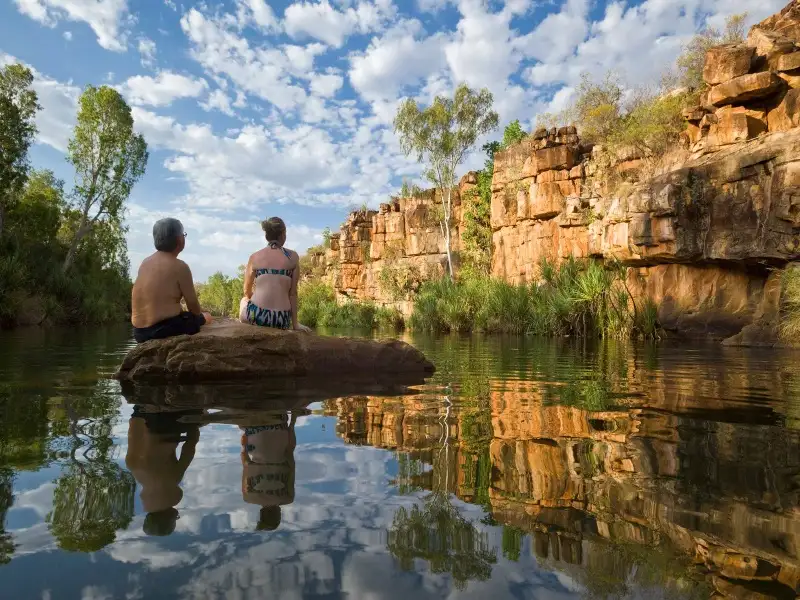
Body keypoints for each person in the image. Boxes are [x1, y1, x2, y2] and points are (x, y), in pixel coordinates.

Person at [131, 218, 212, 343]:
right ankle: (206, 318)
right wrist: (201, 317)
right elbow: (194, 308)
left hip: (139, 333)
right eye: (184, 235)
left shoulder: (145, 262)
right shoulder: (180, 267)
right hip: (162, 330)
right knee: (204, 317)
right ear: (180, 240)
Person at [125, 406, 201, 536]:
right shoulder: (132, 466)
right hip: (141, 413)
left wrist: (195, 426)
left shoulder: (173, 479)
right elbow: (133, 428)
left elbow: (189, 448)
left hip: (169, 422)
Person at [239, 217, 308, 331]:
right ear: (282, 235)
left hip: (258, 316)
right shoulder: (293, 257)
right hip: (282, 319)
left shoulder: (255, 257)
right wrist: (295, 324)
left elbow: (246, 291)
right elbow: (293, 294)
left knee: (244, 300)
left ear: (267, 236)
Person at [240, 410, 297, 531]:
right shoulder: (248, 497)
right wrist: (244, 443)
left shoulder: (288, 497)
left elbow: (290, 460)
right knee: (242, 425)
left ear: (279, 514)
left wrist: (293, 422)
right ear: (261, 513)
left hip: (279, 428)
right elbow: (245, 461)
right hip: (254, 431)